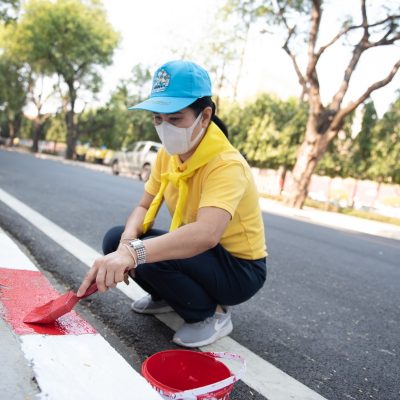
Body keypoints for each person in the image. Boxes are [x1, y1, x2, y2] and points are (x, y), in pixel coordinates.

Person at [78, 60, 267, 348]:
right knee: (116, 239)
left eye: (175, 119)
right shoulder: (167, 156)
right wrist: (127, 244)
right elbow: (143, 207)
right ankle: (168, 297)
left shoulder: (226, 164)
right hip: (202, 255)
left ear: (205, 116)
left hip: (238, 269)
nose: (165, 128)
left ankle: (211, 315)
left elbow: (206, 234)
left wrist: (134, 254)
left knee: (146, 252)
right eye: (158, 119)